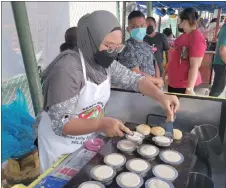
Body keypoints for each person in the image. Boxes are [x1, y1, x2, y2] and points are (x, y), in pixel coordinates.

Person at [37, 10, 179, 172]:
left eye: (117, 47)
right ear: (90, 40)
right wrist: (100, 123)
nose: (112, 52)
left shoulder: (104, 63)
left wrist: (161, 96)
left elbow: (134, 80)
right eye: (108, 46)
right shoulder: (68, 69)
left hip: (84, 140)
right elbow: (61, 124)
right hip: (59, 146)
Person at [166, 7, 206, 95]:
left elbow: (195, 65)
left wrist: (189, 88)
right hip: (174, 81)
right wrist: (166, 74)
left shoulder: (196, 38)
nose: (178, 22)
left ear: (185, 21)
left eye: (179, 20)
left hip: (183, 84)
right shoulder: (183, 35)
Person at [118, 11, 162, 87]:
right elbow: (136, 73)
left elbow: (155, 64)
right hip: (137, 92)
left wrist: (157, 82)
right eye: (134, 26)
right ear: (128, 29)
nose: (139, 29)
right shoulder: (127, 47)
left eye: (142, 25)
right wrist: (157, 81)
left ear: (146, 26)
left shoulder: (147, 45)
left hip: (152, 89)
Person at [209, 22, 226, 97]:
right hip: (222, 63)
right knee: (218, 88)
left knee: (218, 87)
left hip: (221, 63)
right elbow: (222, 51)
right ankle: (209, 105)